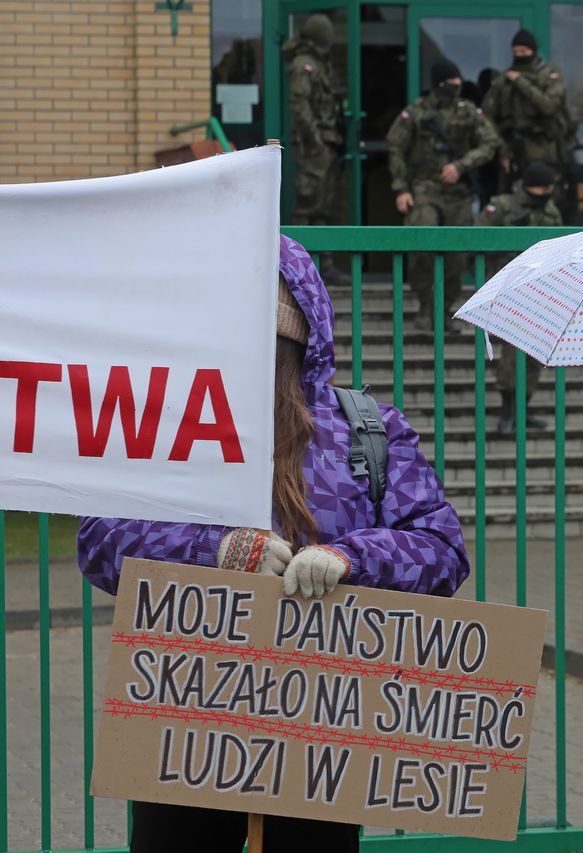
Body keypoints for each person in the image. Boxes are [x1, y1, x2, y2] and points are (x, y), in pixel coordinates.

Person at [78, 236, 471, 853]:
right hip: (190, 719)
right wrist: (220, 551)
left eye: (269, 345)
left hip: (323, 720)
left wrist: (349, 558)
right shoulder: (169, 422)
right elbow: (102, 538)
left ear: (302, 338)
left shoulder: (367, 429)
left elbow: (441, 547)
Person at [387, 59, 499, 330]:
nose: (457, 86)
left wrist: (460, 166)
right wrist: (401, 189)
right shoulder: (417, 112)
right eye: (451, 82)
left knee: (457, 255)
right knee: (421, 245)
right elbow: (395, 147)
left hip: (458, 193)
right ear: (439, 83)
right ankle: (426, 305)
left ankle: (444, 309)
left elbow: (490, 142)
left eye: (459, 81)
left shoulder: (468, 111)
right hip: (424, 189)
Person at [476, 162, 561, 433]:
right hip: (507, 287)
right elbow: (477, 236)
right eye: (542, 188)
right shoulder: (503, 205)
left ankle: (523, 408)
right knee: (511, 354)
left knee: (535, 353)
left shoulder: (550, 211)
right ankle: (507, 410)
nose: (546, 193)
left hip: (538, 291)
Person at [284, 13, 350, 286]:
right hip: (315, 145)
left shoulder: (321, 64)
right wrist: (313, 142)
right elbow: (300, 106)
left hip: (326, 142)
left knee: (323, 206)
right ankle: (299, 266)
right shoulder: (304, 65)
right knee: (308, 203)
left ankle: (325, 264)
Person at [481, 30, 570, 203]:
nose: (520, 56)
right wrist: (503, 151)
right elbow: (488, 118)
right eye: (516, 52)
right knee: (513, 202)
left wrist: (520, 82)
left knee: (548, 199)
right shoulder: (503, 81)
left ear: (533, 51)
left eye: (524, 52)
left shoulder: (549, 74)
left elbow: (549, 106)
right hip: (515, 151)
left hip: (545, 150)